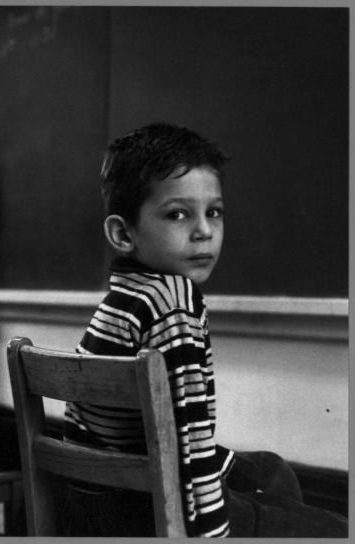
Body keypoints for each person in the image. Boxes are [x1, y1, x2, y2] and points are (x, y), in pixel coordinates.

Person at [61, 122, 347, 537]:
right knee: (335, 529)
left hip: (98, 500)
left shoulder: (123, 298)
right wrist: (212, 535)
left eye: (213, 212)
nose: (204, 231)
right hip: (153, 509)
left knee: (270, 470)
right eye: (178, 214)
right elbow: (189, 445)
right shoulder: (174, 302)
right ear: (123, 233)